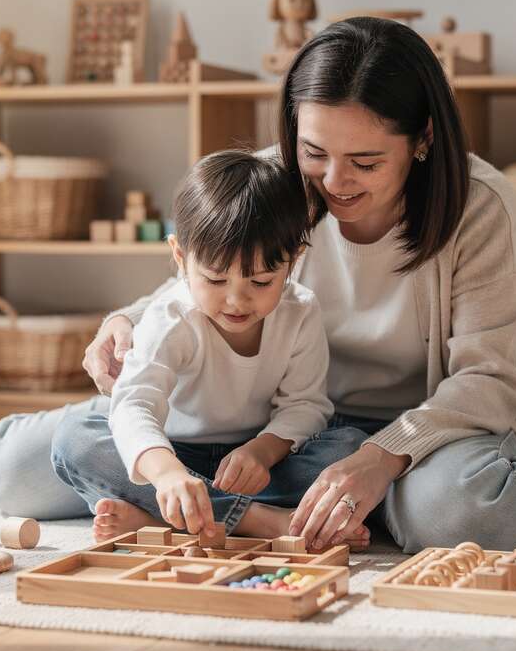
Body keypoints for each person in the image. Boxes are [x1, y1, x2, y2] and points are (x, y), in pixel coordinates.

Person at [0, 17, 516, 553]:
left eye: (365, 162)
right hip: (260, 430)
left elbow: (492, 381)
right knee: (19, 471)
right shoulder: (273, 181)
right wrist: (123, 320)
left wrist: (381, 459)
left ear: (424, 140)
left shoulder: (480, 206)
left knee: (456, 508)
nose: (333, 183)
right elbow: (199, 277)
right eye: (314, 153)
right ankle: (260, 518)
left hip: (419, 441)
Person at [49, 150, 367, 545]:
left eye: (262, 282)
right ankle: (257, 520)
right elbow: (135, 405)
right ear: (180, 257)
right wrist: (167, 475)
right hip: (176, 452)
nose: (237, 301)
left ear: (293, 261)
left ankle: (165, 517)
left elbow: (305, 406)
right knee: (75, 441)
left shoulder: (300, 311)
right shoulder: (171, 316)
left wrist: (261, 452)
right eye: (216, 281)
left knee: (350, 448)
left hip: (258, 459)